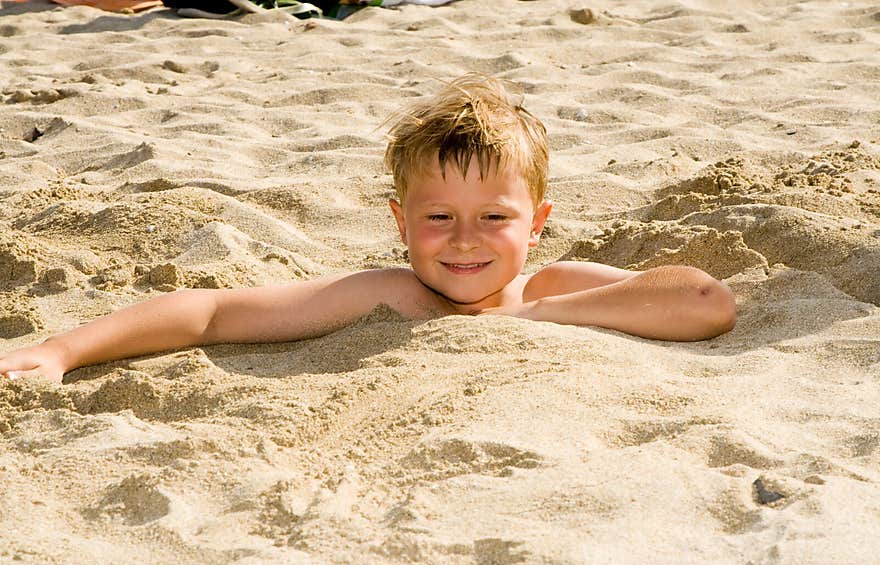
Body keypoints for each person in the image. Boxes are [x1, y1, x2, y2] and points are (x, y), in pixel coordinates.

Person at [0, 73, 736, 384]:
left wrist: (531, 316)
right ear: (401, 222)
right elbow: (212, 313)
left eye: (495, 218)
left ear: (537, 223)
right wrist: (63, 349)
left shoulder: (549, 286)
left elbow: (704, 303)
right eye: (439, 218)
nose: (466, 241)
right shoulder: (391, 295)